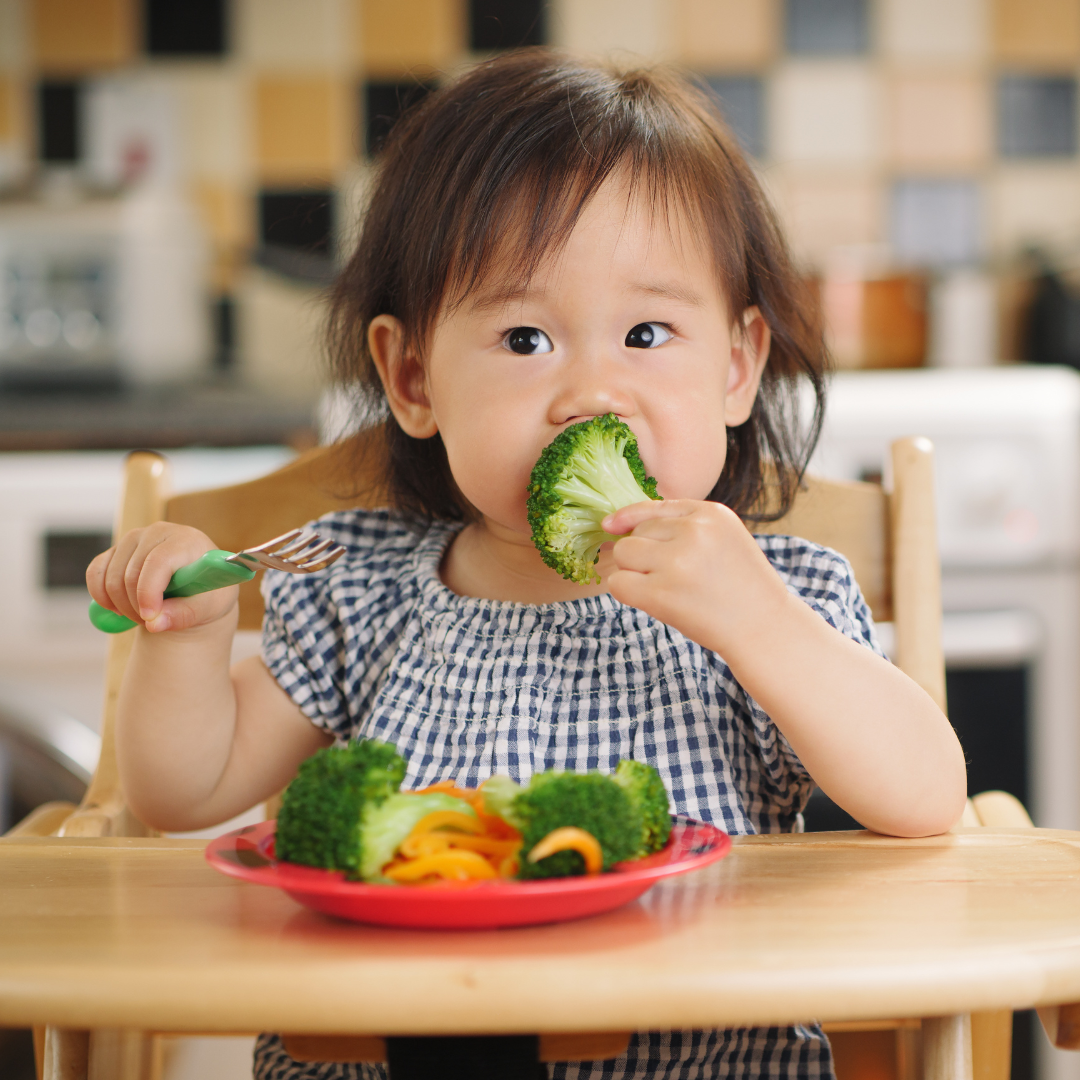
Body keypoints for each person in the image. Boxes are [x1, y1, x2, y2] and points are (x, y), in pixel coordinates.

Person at [87, 50, 966, 1080]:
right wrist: (186, 642)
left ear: (736, 366)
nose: (591, 395)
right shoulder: (363, 588)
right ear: (411, 377)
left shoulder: (780, 597)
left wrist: (759, 623)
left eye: (647, 332)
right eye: (523, 337)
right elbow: (186, 791)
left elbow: (924, 797)